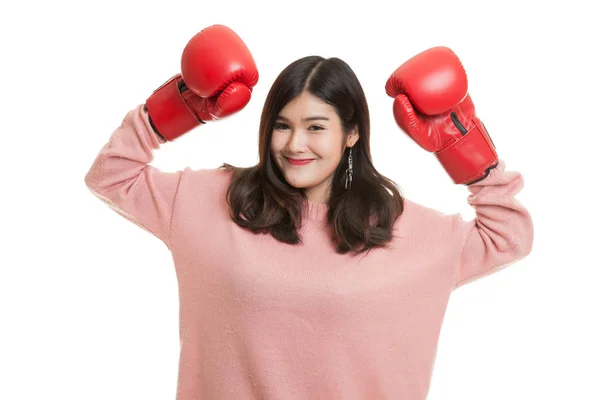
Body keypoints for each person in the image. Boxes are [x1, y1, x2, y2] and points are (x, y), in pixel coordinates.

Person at [84, 24, 534, 400]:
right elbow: (111, 177)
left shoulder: (401, 228)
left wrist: (461, 143)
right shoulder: (210, 200)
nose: (295, 144)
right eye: (282, 126)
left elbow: (508, 235)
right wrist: (178, 107)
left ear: (352, 133)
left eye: (316, 127)